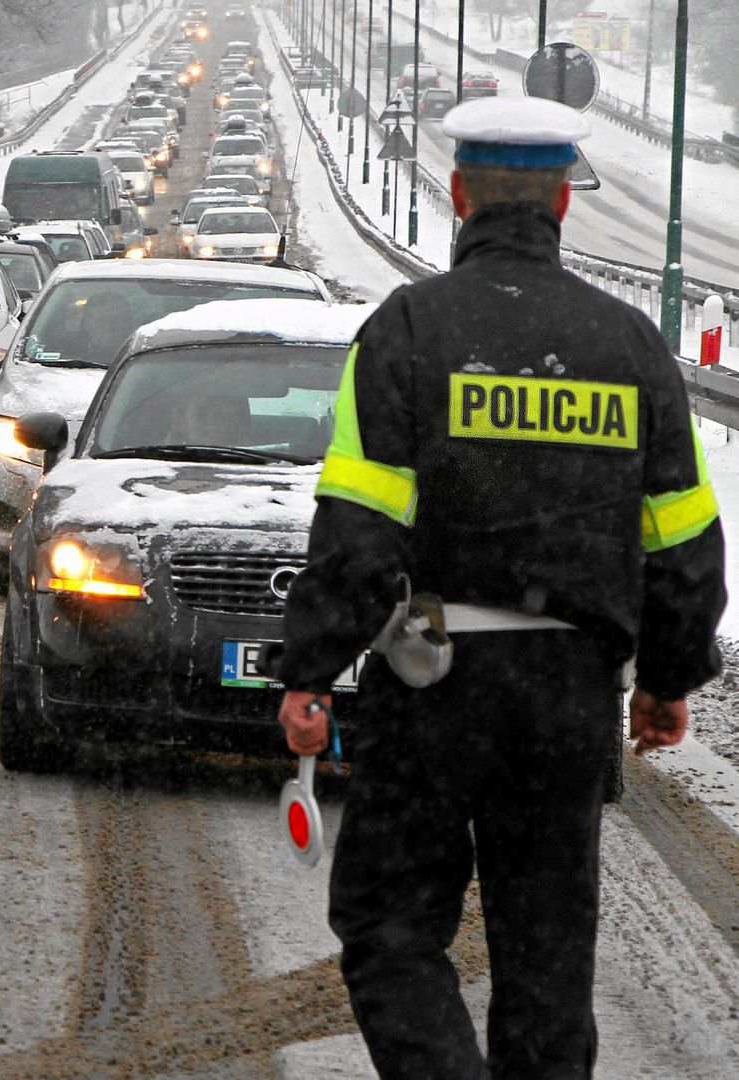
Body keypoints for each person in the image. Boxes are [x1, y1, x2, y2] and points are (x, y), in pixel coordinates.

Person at [272, 96, 725, 1078]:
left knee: (389, 923)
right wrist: (668, 678)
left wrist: (308, 669)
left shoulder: (407, 334)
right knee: (549, 961)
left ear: (459, 192)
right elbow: (684, 538)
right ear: (563, 199)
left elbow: (361, 530)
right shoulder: (632, 349)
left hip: (433, 686)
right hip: (567, 700)